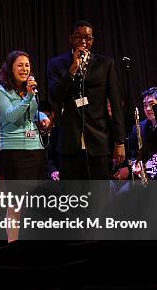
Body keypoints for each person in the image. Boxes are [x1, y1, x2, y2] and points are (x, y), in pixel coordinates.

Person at [47, 20, 125, 180]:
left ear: (93, 40)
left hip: (98, 139)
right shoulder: (56, 64)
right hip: (70, 141)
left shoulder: (105, 63)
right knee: (72, 196)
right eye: (78, 37)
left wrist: (119, 141)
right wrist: (72, 70)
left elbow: (116, 104)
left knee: (99, 197)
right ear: (70, 39)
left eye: (87, 38)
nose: (83, 41)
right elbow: (55, 96)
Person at [0, 50, 50, 180]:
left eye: (27, 65)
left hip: (36, 147)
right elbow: (11, 115)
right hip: (14, 150)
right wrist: (29, 96)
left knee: (36, 195)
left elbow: (30, 112)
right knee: (19, 196)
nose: (24, 69)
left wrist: (42, 117)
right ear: (10, 68)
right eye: (20, 65)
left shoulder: (27, 89)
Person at [114, 87, 157, 180]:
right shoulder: (139, 128)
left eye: (152, 104)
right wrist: (136, 165)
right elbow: (133, 154)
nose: (148, 108)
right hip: (145, 178)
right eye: (145, 105)